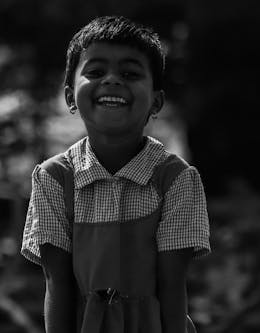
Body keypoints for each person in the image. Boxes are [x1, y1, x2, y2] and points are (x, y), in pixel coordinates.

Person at [21, 16, 211, 333]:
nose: (112, 80)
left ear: (156, 101)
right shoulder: (53, 179)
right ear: (70, 97)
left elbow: (173, 285)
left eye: (130, 73)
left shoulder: (176, 179)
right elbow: (57, 283)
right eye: (95, 72)